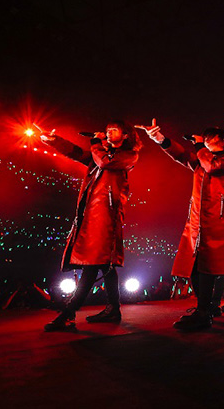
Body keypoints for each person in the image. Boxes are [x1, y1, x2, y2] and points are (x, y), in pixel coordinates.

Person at [139, 119, 224, 331]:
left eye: (210, 137)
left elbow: (212, 166)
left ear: (222, 140)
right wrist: (161, 139)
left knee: (209, 266)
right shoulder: (202, 160)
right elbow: (182, 156)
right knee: (193, 265)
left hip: (218, 220)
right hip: (197, 220)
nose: (205, 140)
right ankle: (203, 308)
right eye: (204, 138)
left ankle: (206, 310)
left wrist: (198, 148)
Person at [42, 121, 141, 331]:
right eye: (107, 130)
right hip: (93, 213)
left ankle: (68, 313)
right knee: (105, 264)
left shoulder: (127, 155)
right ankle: (114, 308)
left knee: (92, 263)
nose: (108, 132)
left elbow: (104, 162)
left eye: (113, 130)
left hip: (107, 214)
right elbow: (79, 154)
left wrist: (96, 142)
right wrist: (56, 142)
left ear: (125, 136)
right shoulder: (102, 153)